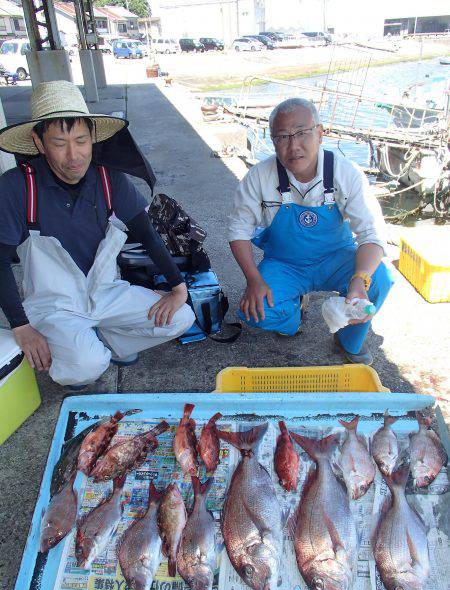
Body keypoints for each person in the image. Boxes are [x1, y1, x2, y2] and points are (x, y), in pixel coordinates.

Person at [0, 80, 194, 388]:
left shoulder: (108, 177)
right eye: (59, 143)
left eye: (81, 140)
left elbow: (147, 234)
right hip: (55, 304)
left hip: (105, 291)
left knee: (182, 317)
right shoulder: (16, 187)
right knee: (87, 367)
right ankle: (82, 347)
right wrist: (20, 325)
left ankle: (106, 338)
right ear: (38, 142)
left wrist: (177, 286)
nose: (74, 155)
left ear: (92, 138)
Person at [228, 97, 394, 365]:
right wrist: (254, 280)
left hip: (335, 258)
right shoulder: (259, 176)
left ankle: (349, 340)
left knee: (380, 278)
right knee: (254, 312)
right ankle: (292, 318)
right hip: (285, 264)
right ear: (273, 141)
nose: (293, 146)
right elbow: (239, 231)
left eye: (302, 133)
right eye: (282, 137)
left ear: (320, 132)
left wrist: (359, 280)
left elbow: (371, 235)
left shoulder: (346, 173)